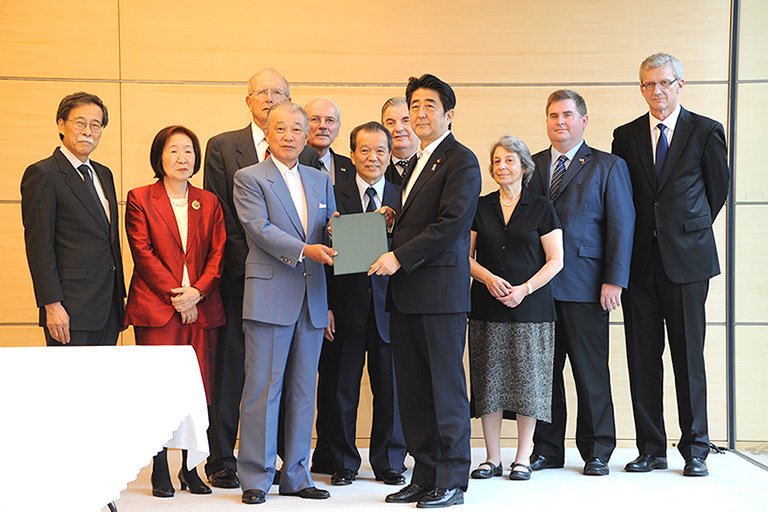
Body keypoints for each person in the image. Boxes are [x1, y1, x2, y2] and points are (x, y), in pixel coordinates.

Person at [612, 53, 730, 477]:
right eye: (648, 84)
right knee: (642, 359)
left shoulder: (706, 130)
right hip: (639, 265)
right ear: (641, 88)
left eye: (664, 83)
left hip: (687, 262)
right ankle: (651, 448)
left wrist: (684, 232)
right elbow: (621, 199)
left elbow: (717, 191)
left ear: (680, 84)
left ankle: (696, 448)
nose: (656, 91)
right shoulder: (625, 136)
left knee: (687, 357)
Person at [370, 74, 482, 508]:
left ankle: (452, 478)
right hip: (407, 296)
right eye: (414, 105)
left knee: (445, 390)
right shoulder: (417, 161)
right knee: (414, 391)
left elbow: (451, 223)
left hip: (440, 296)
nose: (418, 113)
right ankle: (424, 475)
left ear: (449, 114)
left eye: (428, 105)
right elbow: (422, 220)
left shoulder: (461, 159)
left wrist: (398, 256)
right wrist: (393, 224)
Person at [203, 67, 305, 488]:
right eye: (261, 92)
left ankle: (282, 461)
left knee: (285, 375)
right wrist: (261, 264)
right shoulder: (224, 147)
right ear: (248, 101)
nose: (268, 97)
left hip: (294, 282)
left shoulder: (304, 152)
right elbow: (221, 217)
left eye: (277, 92)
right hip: (240, 276)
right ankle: (223, 458)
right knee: (235, 372)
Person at [527, 89, 635, 476]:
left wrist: (614, 281)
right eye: (553, 115)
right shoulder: (532, 165)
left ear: (584, 121)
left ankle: (598, 450)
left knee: (591, 372)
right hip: (538, 288)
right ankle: (547, 449)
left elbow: (622, 228)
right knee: (544, 373)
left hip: (588, 288)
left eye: (568, 115)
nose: (560, 122)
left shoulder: (608, 165)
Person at [233, 102, 336, 505]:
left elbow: (328, 232)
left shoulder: (319, 179)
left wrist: (343, 232)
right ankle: (256, 477)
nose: (291, 135)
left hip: (311, 300)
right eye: (282, 129)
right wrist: (307, 249)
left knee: (301, 392)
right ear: (268, 133)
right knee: (263, 389)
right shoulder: (249, 177)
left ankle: (296, 473)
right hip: (270, 297)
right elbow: (260, 230)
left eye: (298, 128)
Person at [124, 125, 226, 498]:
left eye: (188, 151)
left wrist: (197, 293)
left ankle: (190, 467)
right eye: (173, 151)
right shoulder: (140, 198)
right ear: (159, 157)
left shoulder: (209, 201)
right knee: (160, 391)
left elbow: (218, 254)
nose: (182, 159)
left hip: (202, 308)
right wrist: (177, 296)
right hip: (157, 310)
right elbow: (142, 252)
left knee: (196, 391)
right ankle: (161, 469)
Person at [314, 121, 406, 487]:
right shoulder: (331, 194)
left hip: (391, 309)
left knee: (391, 390)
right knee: (341, 389)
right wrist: (325, 307)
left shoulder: (403, 195)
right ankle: (343, 462)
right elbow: (316, 251)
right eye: (364, 150)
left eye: (380, 150)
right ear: (351, 155)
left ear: (390, 154)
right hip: (345, 308)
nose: (373, 157)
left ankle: (389, 461)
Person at [468, 136, 563, 482]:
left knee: (528, 384)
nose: (502, 166)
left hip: (531, 308)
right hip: (486, 307)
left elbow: (556, 260)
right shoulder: (480, 207)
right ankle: (491, 458)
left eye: (509, 160)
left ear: (524, 167)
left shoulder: (541, 206)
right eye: (496, 161)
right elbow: (464, 257)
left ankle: (522, 458)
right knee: (488, 383)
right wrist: (488, 278)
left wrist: (524, 289)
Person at [21, 91, 125, 347]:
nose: (88, 131)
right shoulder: (43, 174)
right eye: (80, 122)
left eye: (96, 125)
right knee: (70, 385)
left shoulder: (104, 173)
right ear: (61, 124)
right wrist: (52, 305)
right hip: (70, 309)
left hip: (109, 307)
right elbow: (39, 247)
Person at [299, 97, 355, 184]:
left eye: (330, 120)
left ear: (338, 128)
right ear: (302, 125)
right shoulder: (291, 164)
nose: (323, 126)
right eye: (315, 119)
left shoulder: (351, 168)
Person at [381, 97, 420, 186]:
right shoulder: (376, 167)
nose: (398, 128)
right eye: (391, 123)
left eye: (406, 121)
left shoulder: (431, 164)